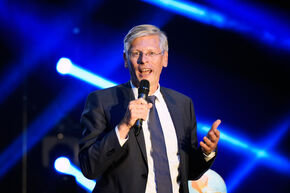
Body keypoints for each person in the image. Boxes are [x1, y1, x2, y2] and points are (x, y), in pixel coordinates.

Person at [78, 24, 221, 193]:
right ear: (125, 59)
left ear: (165, 59)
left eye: (151, 53)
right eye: (136, 53)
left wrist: (207, 152)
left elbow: (188, 172)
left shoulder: (183, 104)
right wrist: (124, 126)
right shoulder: (102, 101)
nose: (143, 60)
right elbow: (89, 168)